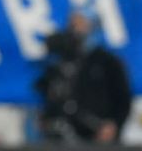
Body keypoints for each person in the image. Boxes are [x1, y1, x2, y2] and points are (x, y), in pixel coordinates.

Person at [35, 11, 132, 144]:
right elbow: (51, 92)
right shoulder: (62, 60)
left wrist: (114, 124)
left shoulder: (107, 61)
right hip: (66, 137)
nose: (75, 29)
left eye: (80, 23)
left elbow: (123, 97)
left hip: (99, 133)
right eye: (72, 24)